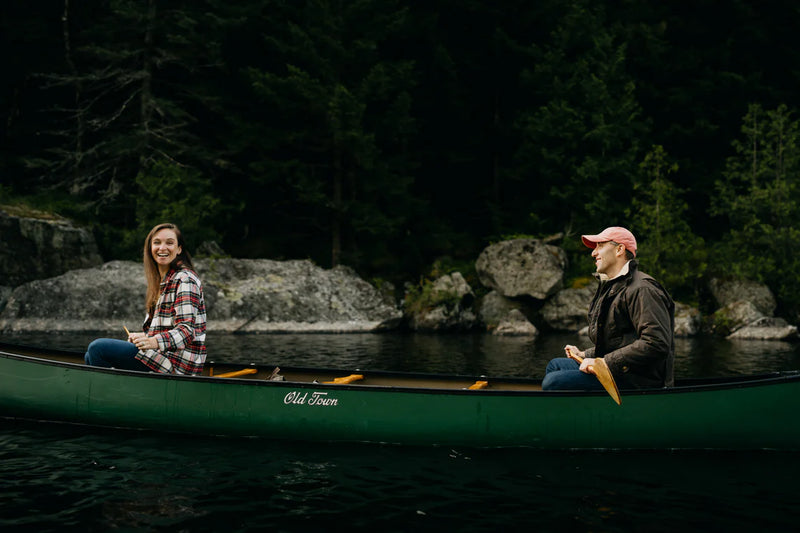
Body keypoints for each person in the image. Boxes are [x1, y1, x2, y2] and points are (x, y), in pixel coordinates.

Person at [542, 226, 674, 391]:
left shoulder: (643, 288)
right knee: (555, 365)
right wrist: (584, 355)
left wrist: (603, 362)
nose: (593, 253)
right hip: (618, 370)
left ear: (619, 249)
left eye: (600, 246)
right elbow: (619, 342)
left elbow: (656, 343)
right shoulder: (614, 287)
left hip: (636, 379)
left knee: (553, 382)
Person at [85, 223, 207, 375]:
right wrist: (144, 337)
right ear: (150, 248)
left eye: (169, 243)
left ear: (179, 249)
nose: (162, 248)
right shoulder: (162, 281)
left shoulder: (185, 279)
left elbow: (187, 331)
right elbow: (165, 330)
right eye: (157, 242)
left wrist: (152, 341)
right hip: (161, 356)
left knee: (98, 348)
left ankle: (106, 395)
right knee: (90, 355)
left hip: (177, 364)